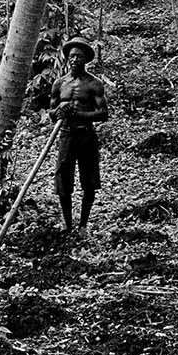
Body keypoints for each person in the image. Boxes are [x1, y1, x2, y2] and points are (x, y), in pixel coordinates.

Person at [49, 37, 109, 234]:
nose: (75, 59)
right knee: (63, 182)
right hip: (66, 135)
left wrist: (79, 114)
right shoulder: (59, 83)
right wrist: (59, 110)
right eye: (72, 56)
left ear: (86, 60)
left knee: (89, 181)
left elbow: (103, 114)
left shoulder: (94, 84)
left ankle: (83, 224)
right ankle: (67, 225)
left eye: (79, 56)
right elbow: (51, 112)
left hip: (86, 136)